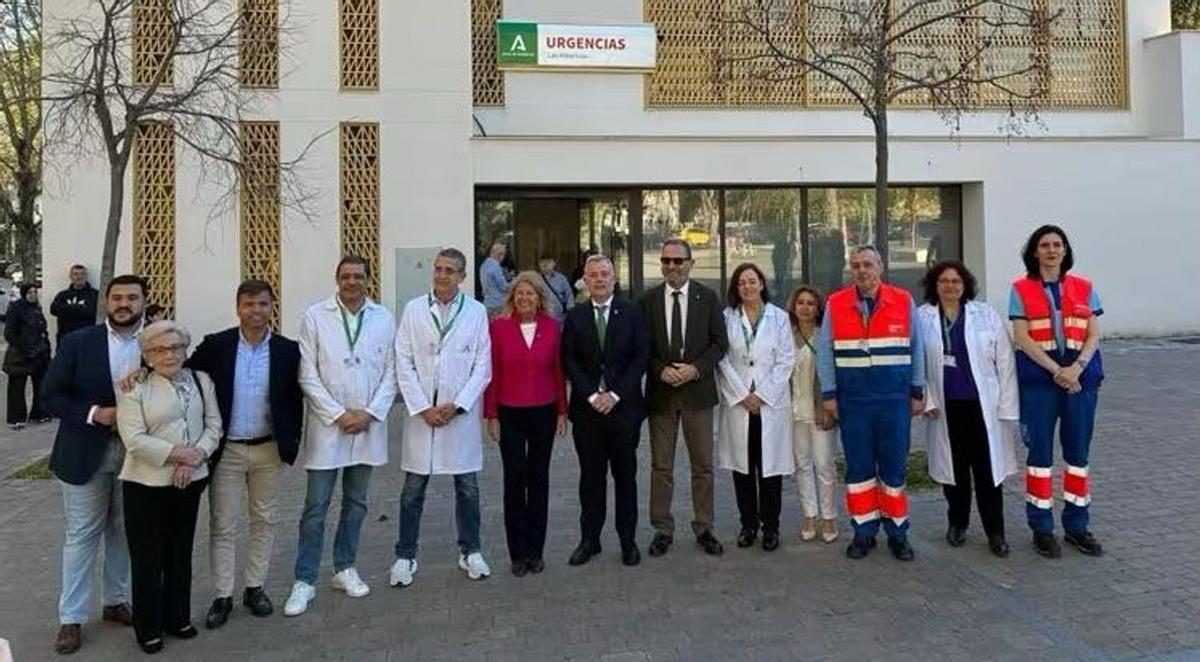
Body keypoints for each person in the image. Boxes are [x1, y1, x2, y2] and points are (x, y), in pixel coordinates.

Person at [184, 280, 304, 628]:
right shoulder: (217, 345)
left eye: (263, 304)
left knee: (263, 520)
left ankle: (255, 587)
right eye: (249, 304)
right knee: (223, 523)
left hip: (268, 449)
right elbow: (183, 373)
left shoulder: (288, 350)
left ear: (271, 307)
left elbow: (297, 396)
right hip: (228, 450)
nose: (256, 311)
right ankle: (223, 595)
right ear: (238, 307)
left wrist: (292, 440)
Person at [284, 256, 397, 616]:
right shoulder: (315, 316)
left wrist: (369, 413)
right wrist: (338, 414)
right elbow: (307, 373)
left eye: (358, 276)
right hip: (328, 427)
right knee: (315, 507)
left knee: (357, 502)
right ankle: (304, 579)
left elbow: (392, 372)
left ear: (368, 280)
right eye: (345, 276)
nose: (352, 282)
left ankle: (344, 567)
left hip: (367, 425)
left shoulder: (383, 318)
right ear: (337, 279)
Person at [42, 274, 145, 655]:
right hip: (85, 450)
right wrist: (93, 414)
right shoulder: (78, 342)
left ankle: (115, 601)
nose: (124, 304)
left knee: (124, 530)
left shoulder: (156, 342)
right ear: (106, 301)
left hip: (138, 454)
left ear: (143, 302)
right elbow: (51, 396)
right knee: (82, 535)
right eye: (117, 297)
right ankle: (71, 617)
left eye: (132, 297)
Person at [116, 321, 221, 654]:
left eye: (176, 347)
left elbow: (214, 425)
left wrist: (196, 457)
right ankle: (148, 627)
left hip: (190, 480)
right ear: (147, 356)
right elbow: (134, 440)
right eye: (159, 350)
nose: (169, 355)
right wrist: (179, 454)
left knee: (180, 552)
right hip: (145, 485)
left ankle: (178, 618)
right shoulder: (135, 388)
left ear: (185, 350)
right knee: (148, 558)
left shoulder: (202, 381)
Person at [390, 248, 493, 587]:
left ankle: (471, 550)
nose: (442, 275)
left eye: (450, 270)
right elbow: (402, 360)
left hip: (458, 416)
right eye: (438, 268)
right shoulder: (414, 309)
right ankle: (405, 555)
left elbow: (482, 365)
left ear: (462, 276)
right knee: (412, 490)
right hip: (423, 416)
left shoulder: (476, 312)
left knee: (468, 488)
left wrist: (458, 405)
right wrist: (423, 407)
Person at [816, 245, 925, 561]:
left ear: (880, 267)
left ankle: (897, 532)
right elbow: (825, 352)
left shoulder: (903, 300)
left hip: (894, 400)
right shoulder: (836, 303)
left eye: (867, 264)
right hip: (854, 402)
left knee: (894, 468)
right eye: (855, 265)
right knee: (859, 469)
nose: (861, 270)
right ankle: (864, 532)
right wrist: (829, 395)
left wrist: (917, 391)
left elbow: (917, 347)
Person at [1009, 225, 1105, 558]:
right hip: (1040, 383)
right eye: (1045, 245)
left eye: (1057, 244)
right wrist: (1057, 371)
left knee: (1078, 456)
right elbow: (1022, 338)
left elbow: (1093, 335)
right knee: (1039, 458)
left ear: (1065, 250)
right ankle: (1042, 529)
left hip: (1080, 381)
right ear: (1034, 252)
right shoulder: (1020, 289)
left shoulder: (1085, 287)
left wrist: (1077, 368)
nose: (1051, 250)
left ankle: (1077, 527)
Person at [918, 261, 1019, 558]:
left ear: (965, 285)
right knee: (955, 472)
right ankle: (957, 523)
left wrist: (1007, 405)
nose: (950, 286)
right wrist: (926, 399)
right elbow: (916, 363)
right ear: (935, 285)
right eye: (944, 281)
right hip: (945, 408)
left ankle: (996, 532)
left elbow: (1005, 360)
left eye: (956, 281)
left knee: (988, 473)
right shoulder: (922, 317)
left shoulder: (984, 314)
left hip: (983, 407)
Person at [637, 239, 727, 558]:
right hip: (662, 395)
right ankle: (662, 528)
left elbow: (720, 343)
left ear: (691, 263)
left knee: (702, 466)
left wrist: (695, 369)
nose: (672, 266)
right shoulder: (646, 301)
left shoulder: (708, 297)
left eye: (678, 261)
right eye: (666, 260)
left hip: (697, 394)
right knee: (661, 467)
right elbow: (641, 347)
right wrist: (659, 370)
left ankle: (704, 527)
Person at [560, 253, 648, 567]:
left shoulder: (633, 312)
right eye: (593, 274)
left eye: (604, 274)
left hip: (623, 411)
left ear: (614, 278)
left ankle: (628, 540)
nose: (599, 279)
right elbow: (568, 360)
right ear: (584, 280)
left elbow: (640, 358)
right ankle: (589, 540)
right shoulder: (575, 316)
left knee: (625, 478)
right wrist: (590, 395)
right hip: (587, 413)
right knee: (591, 479)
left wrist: (614, 394)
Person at [482, 272, 567, 576]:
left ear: (539, 297)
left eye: (530, 293)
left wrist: (562, 411)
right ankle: (517, 553)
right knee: (515, 480)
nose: (524, 298)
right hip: (510, 413)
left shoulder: (552, 327)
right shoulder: (498, 327)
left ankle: (535, 551)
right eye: (519, 293)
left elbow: (558, 371)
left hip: (544, 411)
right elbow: (491, 373)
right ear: (512, 297)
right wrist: (491, 415)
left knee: (539, 479)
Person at [716, 263, 795, 551]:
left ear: (761, 284)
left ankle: (771, 527)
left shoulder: (780, 318)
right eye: (741, 283)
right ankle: (748, 525)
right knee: (743, 469)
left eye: (752, 281)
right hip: (739, 404)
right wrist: (743, 395)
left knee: (770, 470)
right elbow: (722, 359)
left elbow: (785, 360)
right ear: (736, 289)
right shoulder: (727, 318)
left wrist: (761, 395)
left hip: (770, 404)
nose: (747, 287)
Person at [787, 285, 839, 544]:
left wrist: (830, 406)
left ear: (819, 308)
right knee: (802, 465)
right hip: (793, 412)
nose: (805, 308)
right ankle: (809, 515)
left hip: (820, 410)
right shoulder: (786, 335)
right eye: (801, 303)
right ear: (793, 307)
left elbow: (833, 373)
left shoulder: (825, 336)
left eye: (810, 303)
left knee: (824, 465)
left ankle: (828, 517)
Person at [4, 283, 52, 429]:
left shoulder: (37, 308)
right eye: (30, 292)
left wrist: (45, 346)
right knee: (17, 388)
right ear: (24, 293)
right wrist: (24, 347)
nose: (33, 295)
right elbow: (9, 333)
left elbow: (42, 329)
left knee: (41, 385)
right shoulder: (16, 308)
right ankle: (17, 418)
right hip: (20, 355)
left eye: (35, 292)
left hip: (39, 353)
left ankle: (39, 413)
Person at [49, 264, 98, 346]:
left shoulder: (95, 295)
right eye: (76, 274)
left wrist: (68, 310)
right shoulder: (62, 295)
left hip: (87, 339)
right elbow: (53, 310)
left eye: (82, 274)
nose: (79, 277)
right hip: (66, 339)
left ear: (86, 276)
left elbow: (92, 312)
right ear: (70, 277)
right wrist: (79, 308)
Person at [537, 253, 574, 322]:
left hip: (559, 318)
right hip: (542, 318)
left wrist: (570, 311)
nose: (545, 264)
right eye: (542, 262)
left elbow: (569, 295)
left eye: (548, 262)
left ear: (553, 264)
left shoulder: (561, 279)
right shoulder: (535, 279)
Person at [480, 242, 510, 317]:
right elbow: (504, 287)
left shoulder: (484, 265)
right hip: (498, 304)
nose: (503, 258)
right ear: (499, 254)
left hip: (487, 302)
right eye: (503, 254)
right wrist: (515, 284)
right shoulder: (496, 267)